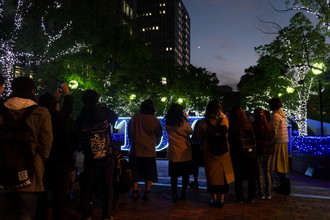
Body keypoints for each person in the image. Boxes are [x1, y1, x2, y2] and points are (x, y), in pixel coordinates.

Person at [0, 77, 53, 220]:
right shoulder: (41, 112)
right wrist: (40, 159)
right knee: (26, 213)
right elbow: (46, 143)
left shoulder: (1, 109)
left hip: (3, 166)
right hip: (30, 167)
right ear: (32, 91)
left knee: (3, 213)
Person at [36, 83, 78, 219]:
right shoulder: (59, 118)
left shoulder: (37, 116)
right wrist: (67, 94)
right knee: (59, 196)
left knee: (41, 194)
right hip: (61, 161)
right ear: (55, 105)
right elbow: (68, 109)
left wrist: (55, 98)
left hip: (42, 161)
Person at [76, 89, 118, 220]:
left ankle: (87, 214)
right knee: (108, 186)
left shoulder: (82, 116)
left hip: (90, 156)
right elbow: (115, 117)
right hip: (107, 154)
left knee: (87, 186)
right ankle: (106, 215)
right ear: (97, 99)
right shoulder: (105, 112)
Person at [197, 100, 234, 208]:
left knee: (212, 177)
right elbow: (227, 135)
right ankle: (221, 199)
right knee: (223, 177)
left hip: (210, 152)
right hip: (223, 151)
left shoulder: (205, 122)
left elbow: (199, 135)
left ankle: (213, 199)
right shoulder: (224, 121)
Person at [128, 99, 162, 201]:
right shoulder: (155, 120)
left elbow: (130, 132)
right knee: (149, 173)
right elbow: (159, 134)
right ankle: (147, 192)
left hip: (136, 149)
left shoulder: (134, 118)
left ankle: (135, 191)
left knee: (135, 172)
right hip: (149, 151)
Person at [165, 103, 193, 202]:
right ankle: (183, 193)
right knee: (185, 175)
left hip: (173, 151)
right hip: (184, 152)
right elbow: (191, 131)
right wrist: (186, 119)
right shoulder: (183, 123)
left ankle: (174, 193)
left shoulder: (168, 122)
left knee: (174, 175)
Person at [228, 106, 257, 203]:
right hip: (249, 152)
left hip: (236, 153)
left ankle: (239, 197)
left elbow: (231, 140)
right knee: (251, 176)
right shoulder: (248, 124)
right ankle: (251, 197)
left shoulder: (232, 125)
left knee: (238, 176)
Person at [253, 108, 275, 200]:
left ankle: (261, 193)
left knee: (259, 173)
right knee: (267, 172)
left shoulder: (254, 127)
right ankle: (268, 193)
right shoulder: (270, 126)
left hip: (258, 151)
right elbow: (273, 137)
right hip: (268, 151)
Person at [268, 97, 290, 194]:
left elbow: (274, 131)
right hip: (283, 142)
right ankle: (283, 185)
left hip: (278, 143)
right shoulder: (281, 115)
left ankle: (284, 186)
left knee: (277, 165)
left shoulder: (275, 116)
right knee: (280, 165)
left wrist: (269, 142)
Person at [189, 119, 203, 189]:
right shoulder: (203, 131)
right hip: (203, 149)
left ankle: (195, 180)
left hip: (196, 149)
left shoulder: (195, 133)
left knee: (195, 165)